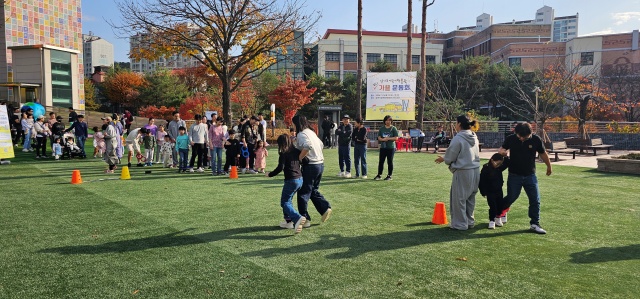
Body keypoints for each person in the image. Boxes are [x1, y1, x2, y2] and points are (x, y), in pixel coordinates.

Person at [498, 122, 552, 234]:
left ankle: (534, 223)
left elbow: (543, 153)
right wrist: (502, 152)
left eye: (525, 137)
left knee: (535, 199)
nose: (522, 138)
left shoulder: (536, 139)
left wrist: (549, 166)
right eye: (519, 136)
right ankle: (500, 211)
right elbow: (502, 149)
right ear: (516, 133)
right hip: (514, 174)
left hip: (530, 175)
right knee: (512, 196)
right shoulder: (511, 139)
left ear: (530, 133)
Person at [435, 115, 481, 231]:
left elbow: (450, 156)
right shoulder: (474, 136)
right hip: (475, 170)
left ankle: (460, 224)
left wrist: (444, 159)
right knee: (470, 198)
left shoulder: (458, 138)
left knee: (459, 198)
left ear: (459, 124)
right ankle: (469, 221)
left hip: (463, 171)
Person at [292, 115, 332, 227]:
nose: (292, 126)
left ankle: (305, 218)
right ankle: (325, 208)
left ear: (297, 124)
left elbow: (308, 146)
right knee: (313, 190)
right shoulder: (311, 132)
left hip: (310, 165)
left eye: (293, 124)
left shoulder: (301, 134)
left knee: (303, 192)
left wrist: (300, 158)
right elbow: (321, 144)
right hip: (320, 164)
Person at [266, 134, 307, 234]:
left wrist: (270, 174)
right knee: (288, 201)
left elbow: (280, 167)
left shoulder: (284, 154)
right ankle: (288, 221)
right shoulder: (297, 151)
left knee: (284, 202)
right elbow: (306, 160)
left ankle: (297, 218)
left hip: (291, 180)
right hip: (300, 179)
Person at [479, 154, 510, 229]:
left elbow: (507, 163)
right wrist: (483, 191)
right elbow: (481, 181)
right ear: (492, 160)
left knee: (500, 204)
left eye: (500, 164)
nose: (498, 165)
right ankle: (492, 220)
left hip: (499, 190)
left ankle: (498, 218)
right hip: (490, 191)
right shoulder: (485, 168)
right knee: (492, 206)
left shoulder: (499, 168)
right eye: (497, 163)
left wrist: (505, 156)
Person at [375, 115, 398, 181]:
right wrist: (382, 140)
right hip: (383, 147)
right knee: (381, 161)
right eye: (386, 120)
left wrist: (389, 138)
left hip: (391, 147)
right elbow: (379, 137)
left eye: (389, 120)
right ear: (384, 121)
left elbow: (396, 138)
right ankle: (379, 174)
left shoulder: (393, 128)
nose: (388, 122)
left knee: (390, 161)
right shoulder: (382, 129)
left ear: (391, 121)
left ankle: (389, 175)